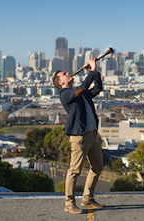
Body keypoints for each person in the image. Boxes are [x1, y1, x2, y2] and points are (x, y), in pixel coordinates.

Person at [52, 58, 105, 214]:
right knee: (74, 170)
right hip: (79, 137)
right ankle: (69, 203)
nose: (68, 73)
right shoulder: (65, 94)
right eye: (64, 74)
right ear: (60, 82)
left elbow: (97, 89)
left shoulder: (81, 93)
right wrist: (92, 71)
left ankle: (88, 198)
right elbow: (82, 88)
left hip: (92, 135)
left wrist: (96, 74)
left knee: (97, 167)